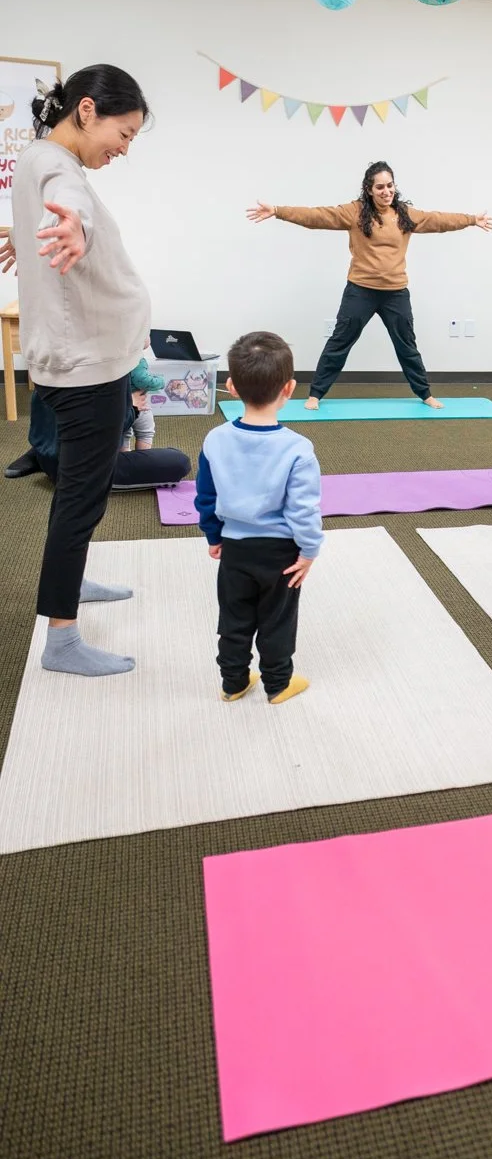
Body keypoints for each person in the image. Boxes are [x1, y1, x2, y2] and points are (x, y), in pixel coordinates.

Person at [11, 64, 151, 676]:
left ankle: (72, 582)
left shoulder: (40, 157)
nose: (123, 150)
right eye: (123, 134)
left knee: (80, 495)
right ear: (87, 110)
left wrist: (32, 232)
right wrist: (75, 228)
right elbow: (70, 208)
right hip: (86, 366)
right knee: (81, 498)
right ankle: (62, 642)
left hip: (86, 357)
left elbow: (54, 206)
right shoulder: (58, 169)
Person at [247, 161, 492, 410]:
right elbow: (316, 216)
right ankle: (316, 395)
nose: (386, 191)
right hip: (360, 290)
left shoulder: (405, 215)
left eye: (390, 186)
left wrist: (472, 219)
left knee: (407, 345)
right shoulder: (354, 212)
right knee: (339, 342)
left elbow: (439, 220)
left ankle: (425, 394)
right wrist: (278, 210)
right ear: (369, 189)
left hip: (395, 293)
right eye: (380, 187)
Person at [195, 331, 322, 705]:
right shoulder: (298, 448)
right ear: (290, 388)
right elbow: (303, 509)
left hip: (235, 548)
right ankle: (278, 684)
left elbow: (206, 496)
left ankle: (233, 683)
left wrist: (213, 536)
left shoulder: (215, 440)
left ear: (231, 386)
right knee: (277, 620)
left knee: (233, 620)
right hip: (281, 554)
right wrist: (310, 550)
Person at [4, 386, 190, 489]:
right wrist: (131, 407)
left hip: (51, 452)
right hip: (79, 469)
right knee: (179, 461)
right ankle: (42, 452)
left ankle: (40, 451)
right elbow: (104, 429)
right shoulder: (106, 370)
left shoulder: (51, 360)